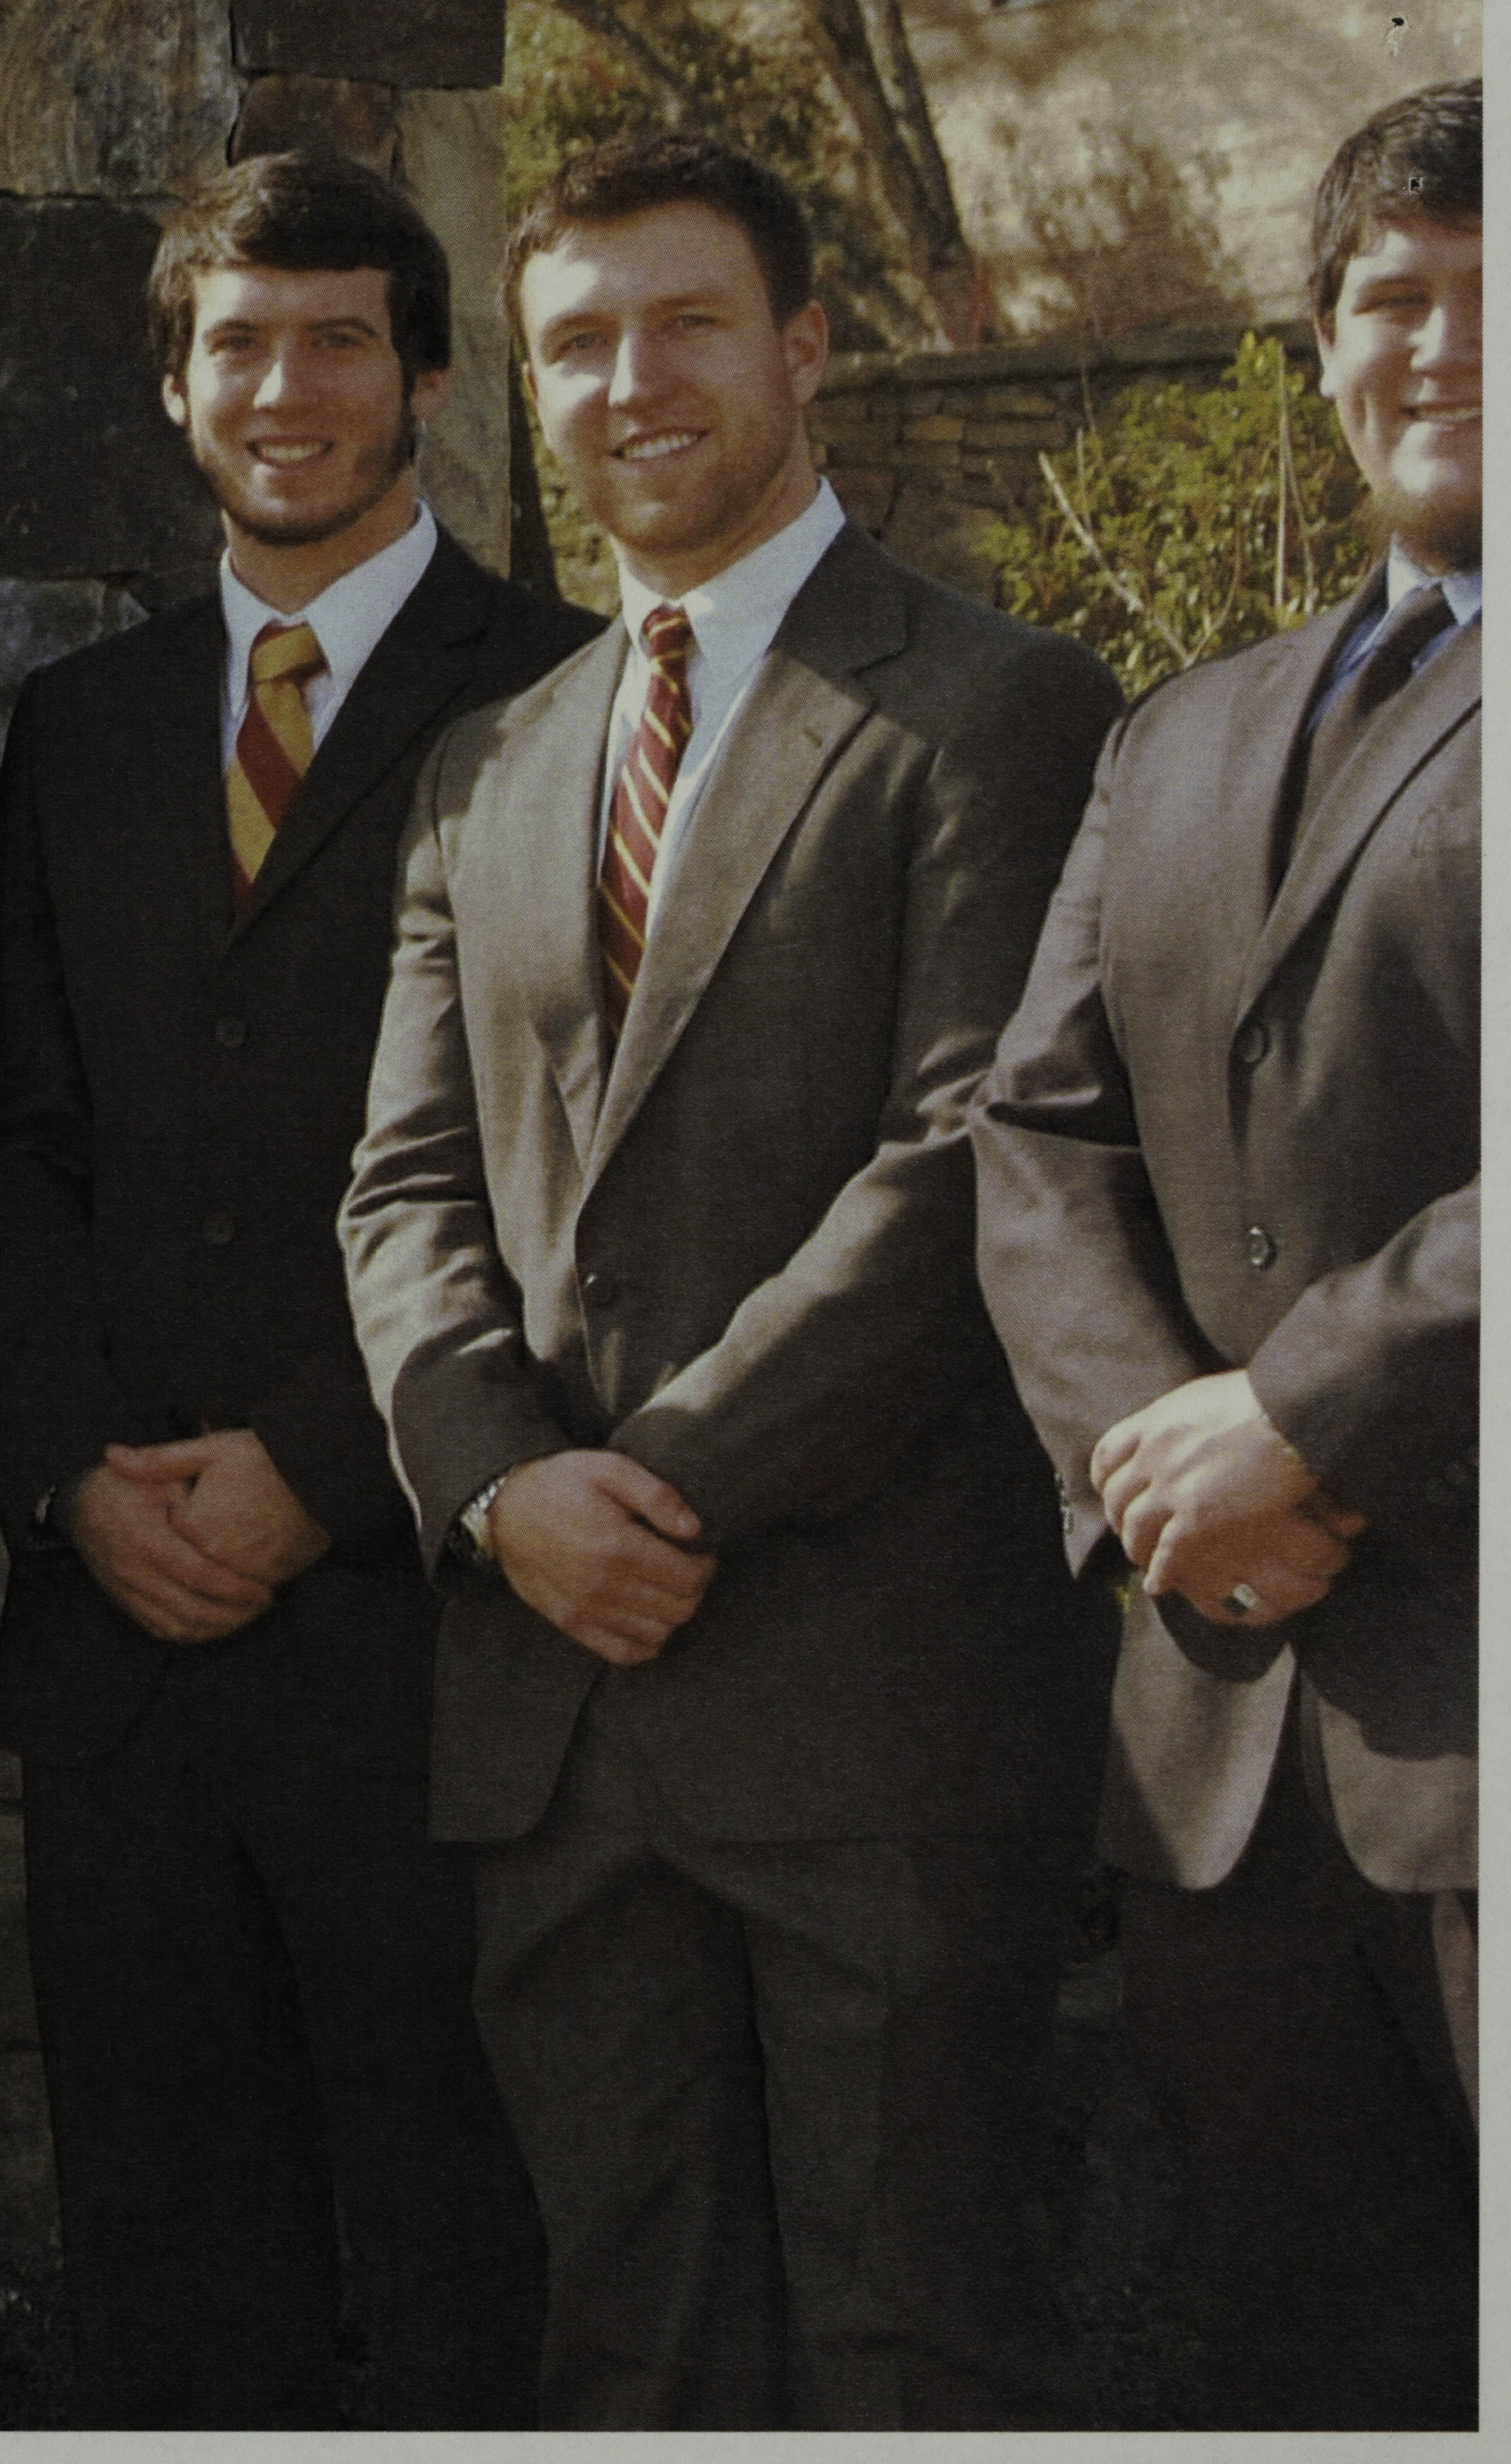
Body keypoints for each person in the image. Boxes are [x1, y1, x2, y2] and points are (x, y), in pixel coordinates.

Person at [336, 130, 1122, 2426]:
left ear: (798, 349)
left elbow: (957, 1154)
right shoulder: (476, 765)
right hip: (552, 1730)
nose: (627, 380)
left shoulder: (989, 705)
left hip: (864, 1706)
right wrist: (499, 1495)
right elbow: (396, 1188)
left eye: (683, 323)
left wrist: (643, 1494)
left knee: (904, 2349)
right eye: (575, 339)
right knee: (622, 2350)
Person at [0, 150, 581, 2425]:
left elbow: (567, 1179)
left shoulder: (565, 699)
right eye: (235, 342)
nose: (282, 386)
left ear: (423, 374)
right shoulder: (81, 729)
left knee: (448, 2281)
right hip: (122, 1648)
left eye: (333, 339)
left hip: (414, 1637)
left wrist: (319, 1470)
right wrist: (63, 1484)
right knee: (165, 2296)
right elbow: (7, 1153)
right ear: (169, 386)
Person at [973, 80, 1481, 2427]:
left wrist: (1301, 1414)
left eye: (1496, 297)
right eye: (1390, 295)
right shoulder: (1179, 729)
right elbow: (1033, 1129)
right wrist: (1162, 1474)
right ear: (1316, 341)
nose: (1440, 345)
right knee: (1298, 2369)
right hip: (1224, 1739)